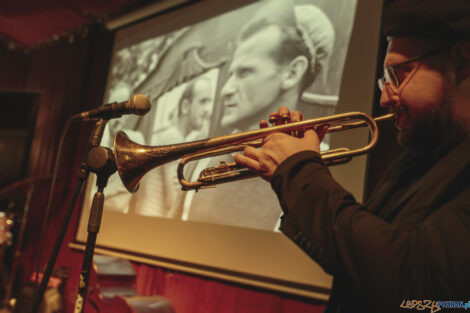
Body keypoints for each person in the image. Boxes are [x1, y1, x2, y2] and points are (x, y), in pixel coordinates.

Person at [234, 0, 470, 311]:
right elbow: (363, 260)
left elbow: (418, 289)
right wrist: (292, 175)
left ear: (463, 61)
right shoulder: (417, 160)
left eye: (399, 75)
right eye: (384, 81)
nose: (385, 98)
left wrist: (299, 171)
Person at [184, 1, 335, 230]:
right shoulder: (204, 160)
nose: (226, 90)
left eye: (245, 72)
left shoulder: (320, 170)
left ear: (292, 72)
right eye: (231, 73)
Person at [137, 76, 213, 217]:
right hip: (155, 221)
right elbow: (173, 199)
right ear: (185, 106)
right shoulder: (173, 137)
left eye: (210, 102)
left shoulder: (174, 135)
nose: (208, 110)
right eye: (203, 102)